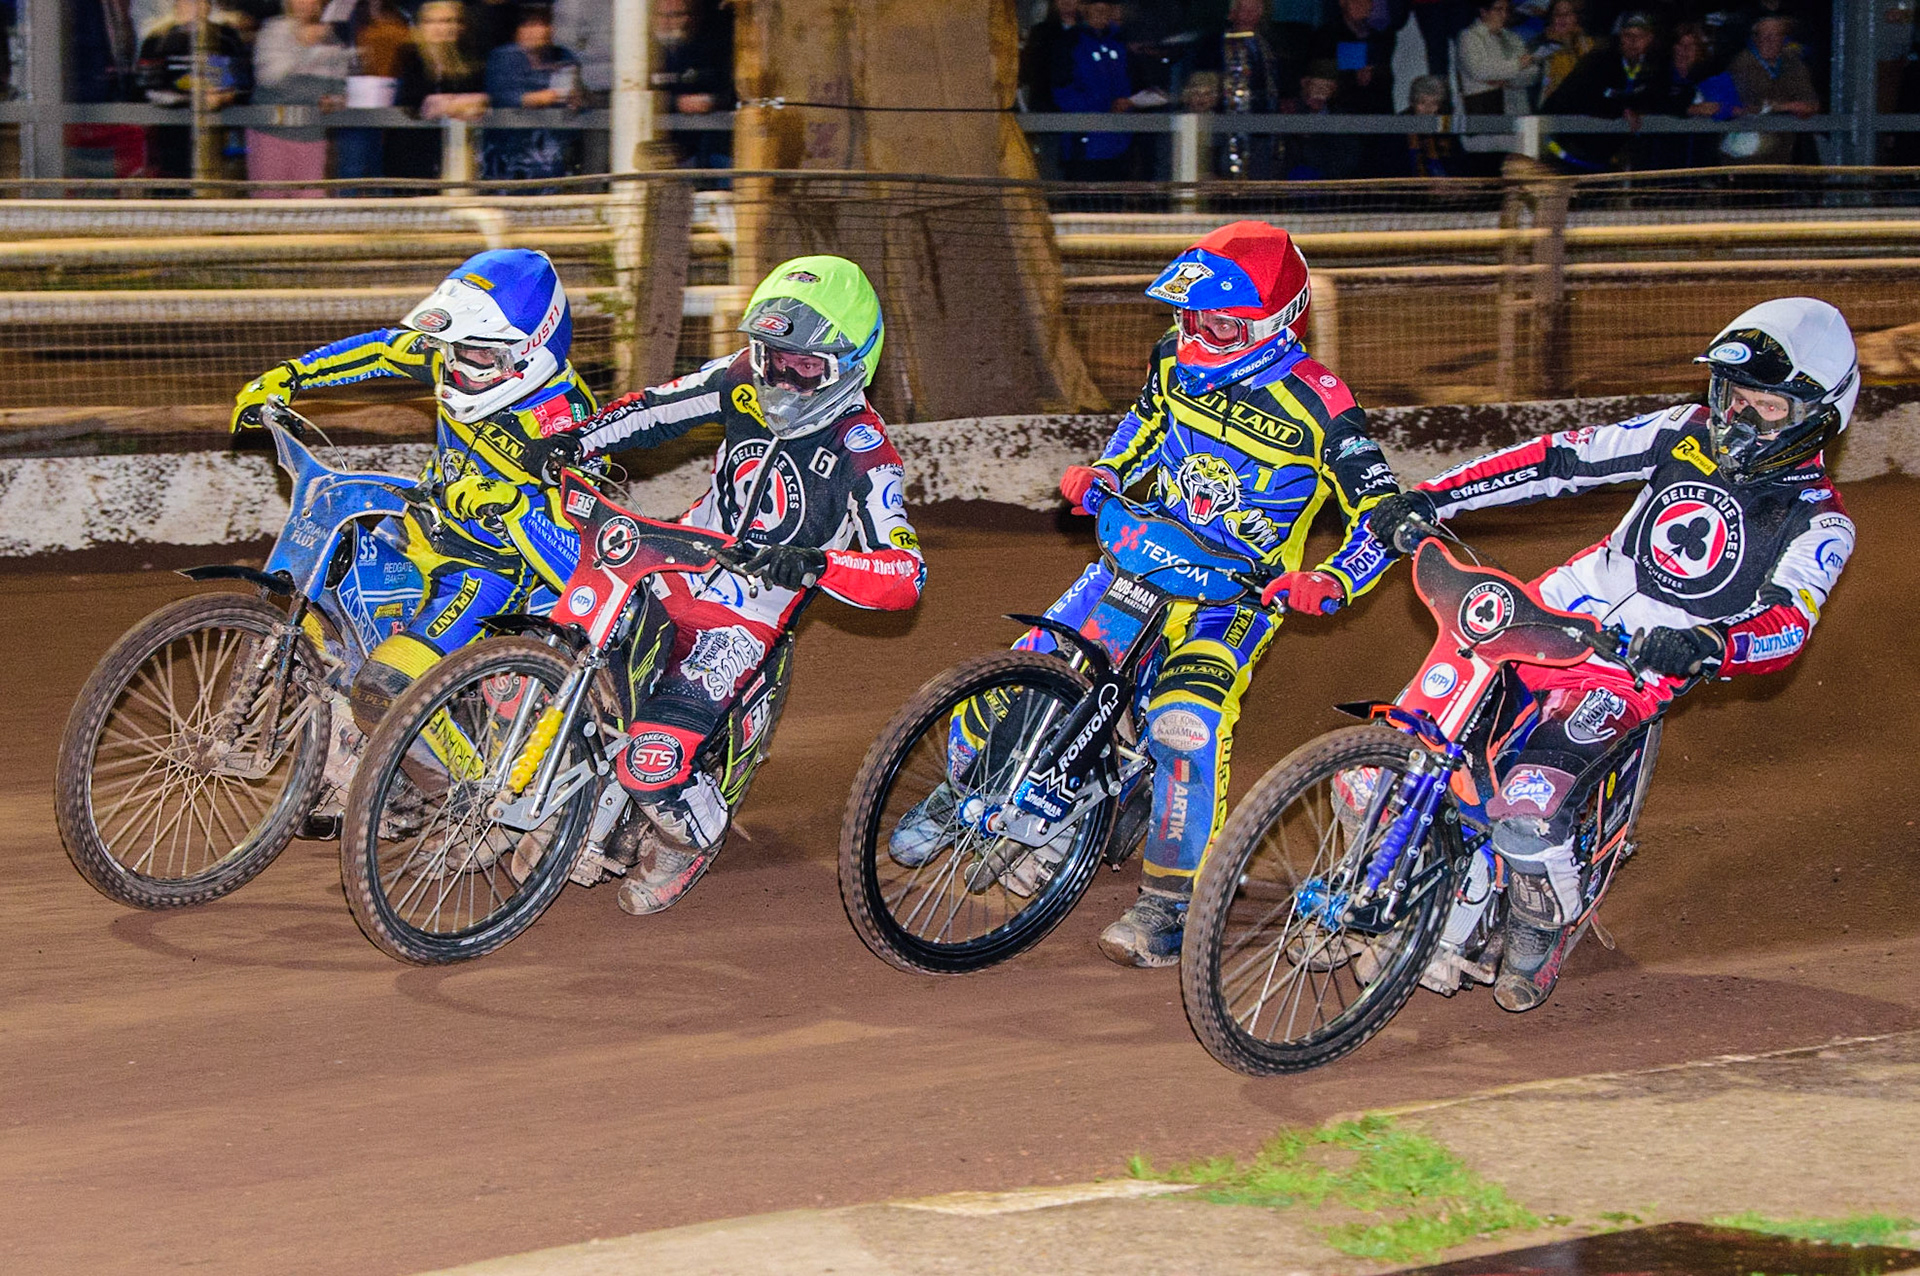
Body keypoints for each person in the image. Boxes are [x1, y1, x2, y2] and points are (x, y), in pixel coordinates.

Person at [1368, 297, 1858, 1011]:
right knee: (1395, 757)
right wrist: (1433, 498)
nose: (1737, 417)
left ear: (1817, 415)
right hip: (1554, 609)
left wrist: (1710, 644)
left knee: (1526, 812)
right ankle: (1380, 880)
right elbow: (1559, 457)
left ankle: (1540, 922)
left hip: (1640, 663)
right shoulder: (1681, 430)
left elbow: (1788, 623)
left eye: (1767, 406)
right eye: (1731, 394)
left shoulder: (1820, 520)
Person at [936, 222, 1400, 967]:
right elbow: (1146, 422)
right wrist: (1109, 470)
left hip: (1236, 595)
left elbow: (1382, 514)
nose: (1199, 335)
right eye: (1190, 317)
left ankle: (1171, 906)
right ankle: (1004, 797)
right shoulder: (1171, 357)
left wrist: (1334, 578)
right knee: (1036, 662)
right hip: (1145, 555)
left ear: (1279, 322)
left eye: (1222, 324)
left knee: (1186, 722)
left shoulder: (1323, 406)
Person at [544, 257, 925, 916]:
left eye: (804, 367)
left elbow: (906, 575)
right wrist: (576, 440)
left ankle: (692, 835)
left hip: (747, 615)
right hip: (673, 563)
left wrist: (817, 565)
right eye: (773, 357)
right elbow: (655, 410)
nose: (780, 377)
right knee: (561, 647)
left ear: (851, 365)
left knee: (650, 765)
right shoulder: (741, 376)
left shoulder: (865, 452)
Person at [230, 249, 597, 741]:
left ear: (531, 352)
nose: (458, 364)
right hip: (414, 532)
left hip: (487, 572)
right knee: (316, 620)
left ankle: (440, 781)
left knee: (384, 690)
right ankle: (335, 756)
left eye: (479, 354)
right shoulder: (453, 359)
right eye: (454, 347)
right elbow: (383, 349)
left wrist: (513, 507)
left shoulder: (573, 424)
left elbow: (576, 561)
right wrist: (289, 375)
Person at [136, 0, 252, 181]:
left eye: (200, 2)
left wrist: (223, 96)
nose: (194, 7)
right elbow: (146, 91)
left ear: (208, 6)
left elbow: (241, 86)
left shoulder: (224, 38)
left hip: (218, 143)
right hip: (170, 143)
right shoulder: (157, 40)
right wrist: (191, 99)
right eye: (188, 2)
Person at [246, 0, 350, 195]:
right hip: (270, 135)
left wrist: (333, 102)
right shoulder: (274, 31)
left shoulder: (330, 39)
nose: (303, 3)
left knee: (310, 206)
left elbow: (340, 90)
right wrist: (304, 46)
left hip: (312, 137)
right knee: (269, 204)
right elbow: (270, 77)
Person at [1539, 11, 1664, 172]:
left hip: (1601, 160)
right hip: (1564, 152)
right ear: (1620, 36)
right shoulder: (1598, 61)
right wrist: (1621, 109)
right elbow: (1576, 99)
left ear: (1650, 39)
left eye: (1640, 36)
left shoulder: (1654, 68)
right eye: (1628, 35)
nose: (1634, 42)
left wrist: (1638, 109)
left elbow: (1654, 99)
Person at [388, 0, 490, 180]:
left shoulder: (468, 61)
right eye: (432, 21)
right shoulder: (411, 58)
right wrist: (459, 105)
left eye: (449, 21)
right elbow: (419, 105)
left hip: (455, 150)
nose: (442, 27)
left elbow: (481, 101)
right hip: (412, 150)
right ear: (421, 26)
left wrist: (446, 105)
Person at [482, 4, 584, 182]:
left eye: (543, 24)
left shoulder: (564, 56)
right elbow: (497, 95)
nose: (538, 31)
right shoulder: (502, 57)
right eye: (529, 25)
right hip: (509, 152)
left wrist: (580, 96)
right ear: (517, 30)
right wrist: (531, 99)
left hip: (552, 154)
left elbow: (578, 95)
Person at [1053, 0, 1135, 181]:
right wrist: (1105, 105)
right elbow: (1062, 91)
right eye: (1097, 11)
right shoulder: (1070, 42)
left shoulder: (1120, 42)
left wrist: (1128, 103)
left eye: (1106, 11)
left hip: (1119, 142)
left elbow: (1130, 82)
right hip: (1083, 142)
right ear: (1085, 10)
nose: (1101, 16)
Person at [1724, 14, 1819, 165]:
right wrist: (1787, 105)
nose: (1769, 41)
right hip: (1745, 154)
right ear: (1755, 39)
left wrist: (1778, 106)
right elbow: (1750, 107)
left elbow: (1809, 105)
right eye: (1764, 36)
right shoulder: (1741, 64)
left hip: (1784, 153)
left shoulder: (1793, 63)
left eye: (1775, 36)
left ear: (1783, 39)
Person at [1310, 0, 1398, 116]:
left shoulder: (1383, 35)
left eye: (1367, 1)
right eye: (1357, 1)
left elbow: (1384, 72)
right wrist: (1354, 74)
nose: (1362, 5)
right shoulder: (1327, 34)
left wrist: (1372, 72)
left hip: (1378, 111)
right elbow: (1324, 76)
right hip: (1341, 112)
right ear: (1342, 3)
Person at [1531, 0, 1595, 102]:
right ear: (1551, 19)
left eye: (1568, 14)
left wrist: (1579, 39)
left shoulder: (1587, 44)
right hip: (1551, 103)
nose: (1562, 18)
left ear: (1576, 18)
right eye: (1557, 14)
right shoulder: (1540, 45)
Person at [1402, 73, 1465, 175]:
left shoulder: (1444, 126)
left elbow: (1459, 164)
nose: (1428, 109)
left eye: (1434, 103)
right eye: (1422, 102)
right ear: (1413, 102)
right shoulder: (1399, 125)